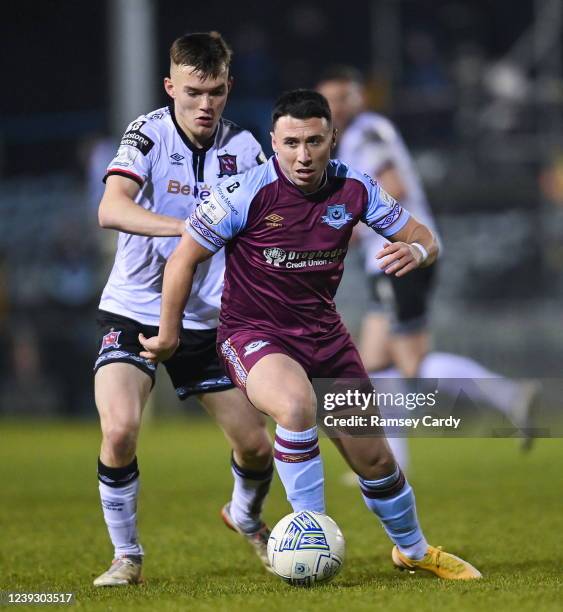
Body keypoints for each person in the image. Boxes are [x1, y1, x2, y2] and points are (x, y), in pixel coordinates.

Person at [140, 89, 482, 580]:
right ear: (273, 143)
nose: (303, 155)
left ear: (332, 139)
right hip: (252, 333)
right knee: (296, 406)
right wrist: (168, 335)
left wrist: (419, 254)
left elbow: (424, 237)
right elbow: (183, 259)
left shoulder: (355, 188)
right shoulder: (243, 192)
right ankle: (311, 531)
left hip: (324, 338)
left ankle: (413, 550)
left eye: (315, 142)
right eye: (292, 142)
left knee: (376, 460)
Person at [93, 32, 274, 587]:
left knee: (256, 445)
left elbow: (268, 227)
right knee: (120, 428)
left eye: (216, 91)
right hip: (133, 309)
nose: (205, 104)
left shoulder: (244, 150)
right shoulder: (147, 135)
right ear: (171, 86)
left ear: (228, 88)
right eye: (193, 91)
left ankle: (245, 517)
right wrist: (189, 230)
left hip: (206, 321)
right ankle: (127, 557)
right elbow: (111, 208)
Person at [316, 66, 538, 466]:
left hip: (401, 256)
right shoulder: (355, 136)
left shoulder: (365, 133)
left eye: (339, 97)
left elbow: (392, 187)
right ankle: (393, 463)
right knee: (375, 364)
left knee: (412, 364)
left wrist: (340, 232)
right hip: (386, 259)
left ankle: (508, 395)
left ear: (356, 98)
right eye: (326, 99)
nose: (332, 106)